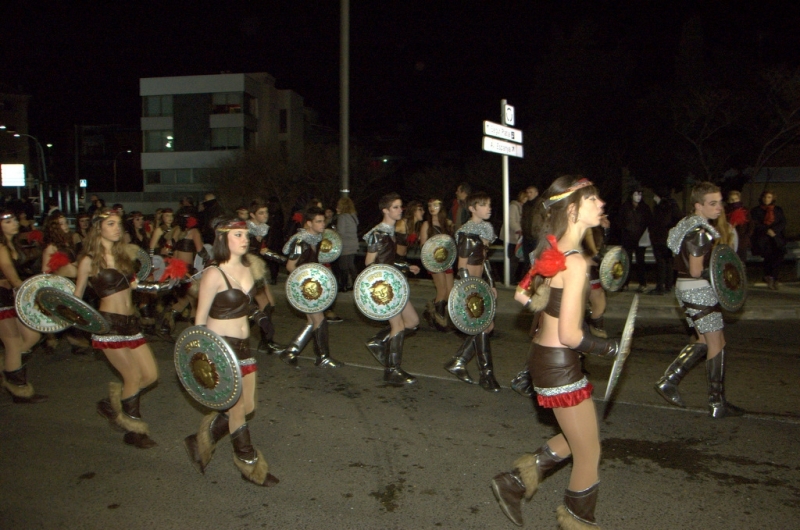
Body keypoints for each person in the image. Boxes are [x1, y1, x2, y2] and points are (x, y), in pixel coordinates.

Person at [491, 176, 618, 529]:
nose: (601, 204)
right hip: (559, 363)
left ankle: (515, 482)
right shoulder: (575, 262)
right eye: (593, 200)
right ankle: (576, 521)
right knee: (589, 452)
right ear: (574, 210)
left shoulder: (553, 250)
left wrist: (547, 303)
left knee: (579, 437)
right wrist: (609, 346)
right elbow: (570, 334)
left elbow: (521, 294)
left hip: (546, 360)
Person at [183, 217, 279, 487]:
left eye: (245, 234)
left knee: (248, 407)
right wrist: (201, 356)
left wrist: (260, 317)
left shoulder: (250, 267)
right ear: (224, 239)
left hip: (244, 347)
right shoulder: (214, 273)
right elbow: (199, 320)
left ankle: (200, 441)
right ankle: (249, 465)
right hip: (221, 348)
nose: (244, 239)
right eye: (238, 235)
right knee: (237, 411)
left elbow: (246, 304)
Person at [74, 208, 172, 448]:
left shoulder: (123, 255)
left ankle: (111, 404)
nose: (117, 228)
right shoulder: (88, 260)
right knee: (133, 376)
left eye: (118, 224)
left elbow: (135, 286)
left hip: (131, 323)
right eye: (110, 224)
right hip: (108, 325)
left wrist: (164, 285)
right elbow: (75, 297)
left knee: (150, 376)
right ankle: (133, 430)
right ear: (98, 228)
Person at [654, 181, 745, 419]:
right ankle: (717, 403)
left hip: (685, 288)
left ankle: (669, 381)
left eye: (720, 202)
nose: (719, 208)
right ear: (698, 205)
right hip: (698, 289)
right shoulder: (701, 231)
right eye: (712, 204)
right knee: (717, 343)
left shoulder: (687, 225)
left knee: (704, 340)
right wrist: (722, 276)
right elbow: (696, 270)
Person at [442, 191, 501, 391]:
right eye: (483, 205)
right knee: (485, 327)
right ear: (472, 209)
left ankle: (459, 361)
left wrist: (490, 284)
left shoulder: (485, 231)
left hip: (479, 286)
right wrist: (471, 292)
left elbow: (484, 261)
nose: (488, 208)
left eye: (489, 204)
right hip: (470, 287)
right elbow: (461, 267)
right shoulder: (467, 234)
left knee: (486, 327)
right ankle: (486, 374)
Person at [273, 207, 343, 368]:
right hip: (302, 287)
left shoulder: (316, 239)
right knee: (319, 319)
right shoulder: (300, 241)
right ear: (308, 224)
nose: (322, 224)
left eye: (323, 220)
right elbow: (291, 266)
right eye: (318, 221)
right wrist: (307, 278)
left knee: (313, 321)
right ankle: (323, 357)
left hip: (311, 287)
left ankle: (291, 351)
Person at [364, 193, 421, 385]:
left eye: (400, 206)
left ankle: (378, 341)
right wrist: (380, 287)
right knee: (398, 325)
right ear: (385, 210)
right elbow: (369, 263)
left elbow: (387, 259)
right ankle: (393, 370)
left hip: (394, 283)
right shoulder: (377, 233)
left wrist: (405, 266)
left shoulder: (390, 231)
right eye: (395, 207)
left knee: (412, 322)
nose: (400, 210)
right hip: (385, 288)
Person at [0, 210, 47, 403]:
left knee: (31, 336)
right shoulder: (1, 247)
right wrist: (29, 289)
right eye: (8, 221)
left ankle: (7, 368)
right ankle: (19, 390)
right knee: (12, 343)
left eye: (14, 220)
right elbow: (11, 275)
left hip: (12, 296)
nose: (14, 223)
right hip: (1, 299)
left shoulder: (14, 244)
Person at [40, 211, 91, 354]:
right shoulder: (51, 247)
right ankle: (66, 339)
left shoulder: (67, 242)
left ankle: (75, 340)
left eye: (66, 222)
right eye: (61, 224)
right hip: (60, 284)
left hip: (73, 282)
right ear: (55, 227)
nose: (65, 226)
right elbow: (45, 271)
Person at [158, 212, 206, 338]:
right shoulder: (194, 232)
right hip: (186, 270)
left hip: (174, 269)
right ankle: (195, 332)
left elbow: (166, 249)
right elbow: (201, 251)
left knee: (184, 300)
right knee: (196, 300)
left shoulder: (176, 230)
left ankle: (166, 327)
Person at [245, 200, 282, 354]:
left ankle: (262, 339)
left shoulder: (261, 230)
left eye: (266, 212)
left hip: (257, 269)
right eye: (261, 213)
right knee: (265, 305)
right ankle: (266, 341)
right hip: (249, 271)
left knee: (267, 305)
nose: (265, 215)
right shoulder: (246, 230)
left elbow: (263, 250)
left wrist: (281, 259)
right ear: (252, 215)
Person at [419, 198, 455, 332]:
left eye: (435, 205)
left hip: (447, 261)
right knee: (442, 291)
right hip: (434, 261)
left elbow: (452, 244)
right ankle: (441, 322)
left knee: (450, 293)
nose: (431, 208)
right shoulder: (426, 225)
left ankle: (431, 312)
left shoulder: (448, 223)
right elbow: (423, 245)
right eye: (429, 205)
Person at [648, 186, 682, 295]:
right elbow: (678, 219)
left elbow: (658, 223)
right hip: (669, 237)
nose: (654, 198)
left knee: (660, 263)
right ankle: (668, 285)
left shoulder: (660, 207)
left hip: (659, 238)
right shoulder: (674, 205)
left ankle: (660, 287)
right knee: (668, 262)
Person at [750, 190, 786, 290]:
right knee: (769, 257)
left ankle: (774, 277)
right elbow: (755, 224)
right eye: (765, 197)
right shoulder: (756, 210)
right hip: (763, 238)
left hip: (776, 237)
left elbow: (782, 222)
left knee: (779, 255)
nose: (766, 199)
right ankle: (769, 277)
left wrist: (774, 230)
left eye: (769, 197)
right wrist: (766, 230)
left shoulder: (777, 209)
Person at [619, 187, 652, 292]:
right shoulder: (625, 207)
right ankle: (625, 283)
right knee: (626, 261)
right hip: (627, 238)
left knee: (640, 262)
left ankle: (642, 283)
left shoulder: (645, 208)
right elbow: (620, 221)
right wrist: (625, 231)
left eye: (640, 195)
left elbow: (648, 222)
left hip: (640, 239)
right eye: (636, 194)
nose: (638, 197)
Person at [335, 197, 359, 292]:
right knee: (351, 264)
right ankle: (355, 283)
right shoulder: (353, 216)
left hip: (345, 245)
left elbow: (341, 232)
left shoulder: (342, 217)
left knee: (343, 266)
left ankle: (343, 285)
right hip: (353, 243)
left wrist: (334, 231)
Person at [502, 190, 526, 283]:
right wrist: (519, 230)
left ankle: (511, 278)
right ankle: (509, 279)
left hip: (516, 237)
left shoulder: (521, 207)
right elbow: (511, 220)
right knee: (512, 259)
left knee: (515, 259)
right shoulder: (514, 206)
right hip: (511, 237)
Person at [725, 190, 753, 263]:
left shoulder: (745, 211)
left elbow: (750, 225)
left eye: (736, 199)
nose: (734, 201)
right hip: (729, 239)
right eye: (732, 199)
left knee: (741, 260)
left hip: (742, 240)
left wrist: (747, 237)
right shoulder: (725, 211)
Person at [265, 197, 285, 285]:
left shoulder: (277, 214)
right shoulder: (272, 213)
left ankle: (274, 276)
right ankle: (273, 276)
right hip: (272, 239)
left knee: (274, 259)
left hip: (275, 239)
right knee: (272, 259)